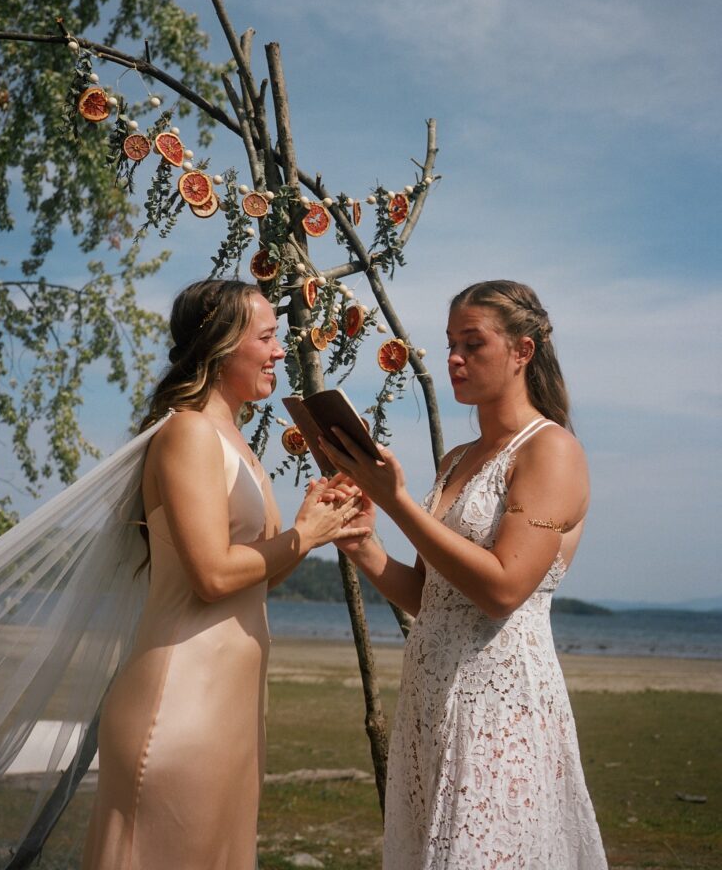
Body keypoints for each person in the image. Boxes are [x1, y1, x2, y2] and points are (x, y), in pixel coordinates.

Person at [77, 279, 367, 870]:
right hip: (179, 705)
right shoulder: (187, 432)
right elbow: (211, 576)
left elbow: (258, 577)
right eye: (266, 337)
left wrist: (317, 522)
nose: (281, 351)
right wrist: (303, 536)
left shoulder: (239, 443)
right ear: (220, 345)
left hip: (231, 713)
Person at [320, 280, 608, 869]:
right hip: (429, 698)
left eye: (472, 344)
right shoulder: (455, 458)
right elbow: (433, 597)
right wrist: (363, 545)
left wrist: (397, 502)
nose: (453, 358)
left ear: (522, 351)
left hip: (503, 705)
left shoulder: (550, 451)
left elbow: (502, 590)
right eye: (450, 343)